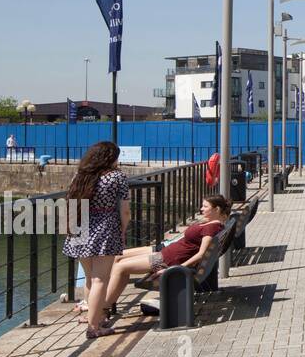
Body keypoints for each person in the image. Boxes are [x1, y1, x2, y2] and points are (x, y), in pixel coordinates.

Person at [104, 196, 232, 312]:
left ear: (217, 209)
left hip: (167, 260)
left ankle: (104, 307)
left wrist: (176, 268)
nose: (201, 209)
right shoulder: (211, 224)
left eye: (205, 206)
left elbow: (201, 254)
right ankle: (107, 300)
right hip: (166, 255)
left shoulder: (211, 228)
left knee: (120, 267)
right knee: (118, 259)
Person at [62, 142, 129, 338]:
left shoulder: (80, 176)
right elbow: (125, 210)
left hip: (80, 225)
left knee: (90, 276)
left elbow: (72, 204)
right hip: (105, 226)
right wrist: (122, 230)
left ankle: (95, 316)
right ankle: (93, 327)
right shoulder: (117, 177)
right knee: (101, 278)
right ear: (111, 158)